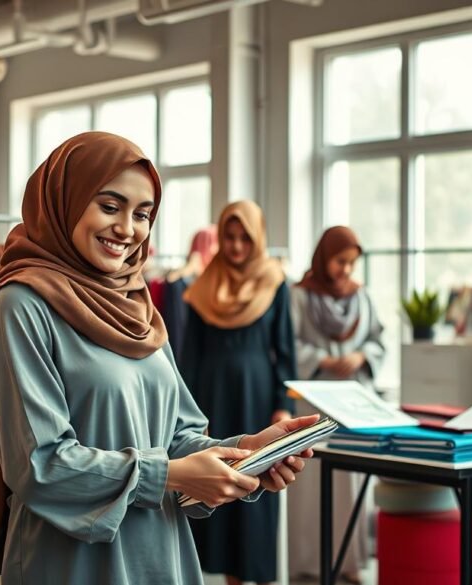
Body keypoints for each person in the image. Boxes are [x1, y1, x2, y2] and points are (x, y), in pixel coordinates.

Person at [0, 132, 317, 584]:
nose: (128, 229)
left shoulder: (136, 305)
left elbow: (177, 436)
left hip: (161, 554)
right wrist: (169, 476)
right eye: (109, 207)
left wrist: (243, 452)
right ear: (64, 201)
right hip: (72, 563)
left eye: (142, 214)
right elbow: (40, 466)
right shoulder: (22, 305)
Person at [180, 200, 297, 585]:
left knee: (258, 485)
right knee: (219, 478)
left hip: (257, 399)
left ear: (256, 238)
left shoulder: (274, 281)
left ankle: (259, 574)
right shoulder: (203, 286)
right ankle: (230, 576)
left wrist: (282, 405)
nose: (234, 247)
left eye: (243, 238)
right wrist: (189, 415)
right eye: (228, 237)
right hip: (211, 398)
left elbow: (285, 350)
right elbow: (189, 357)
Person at [285, 226, 385, 582]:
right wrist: (322, 360)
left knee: (353, 483)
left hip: (354, 406)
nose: (345, 270)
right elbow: (287, 345)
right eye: (340, 261)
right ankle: (310, 563)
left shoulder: (363, 298)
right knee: (311, 484)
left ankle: (350, 562)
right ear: (323, 257)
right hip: (313, 405)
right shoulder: (298, 296)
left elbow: (378, 342)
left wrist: (360, 356)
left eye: (351, 263)